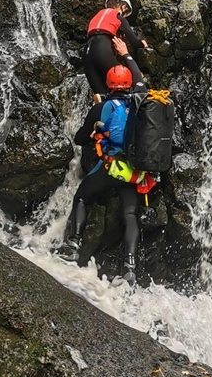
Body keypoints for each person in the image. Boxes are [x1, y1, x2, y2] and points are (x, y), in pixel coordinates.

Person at [57, 38, 149, 286]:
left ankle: (74, 244)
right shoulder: (141, 98)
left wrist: (95, 129)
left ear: (108, 85)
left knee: (82, 196)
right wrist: (126, 54)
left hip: (109, 166)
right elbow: (139, 77)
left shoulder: (102, 108)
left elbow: (79, 139)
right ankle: (129, 267)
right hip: (134, 170)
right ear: (129, 84)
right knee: (130, 214)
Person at [84, 0, 147, 103]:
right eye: (125, 10)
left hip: (87, 52)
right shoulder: (117, 17)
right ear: (123, 6)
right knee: (124, 79)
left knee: (101, 95)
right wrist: (142, 43)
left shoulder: (96, 17)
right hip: (101, 49)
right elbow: (134, 42)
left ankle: (102, 109)